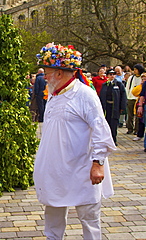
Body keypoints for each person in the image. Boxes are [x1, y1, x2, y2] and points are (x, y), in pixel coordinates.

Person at [34, 43, 116, 240]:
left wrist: (98, 163)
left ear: (61, 73)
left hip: (82, 167)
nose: (44, 76)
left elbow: (100, 130)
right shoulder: (53, 94)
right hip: (55, 169)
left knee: (89, 217)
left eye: (48, 72)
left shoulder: (84, 94)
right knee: (53, 215)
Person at [99, 69, 127, 145]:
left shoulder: (119, 84)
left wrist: (122, 107)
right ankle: (107, 139)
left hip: (115, 106)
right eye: (110, 74)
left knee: (114, 123)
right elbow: (101, 96)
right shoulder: (105, 85)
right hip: (107, 106)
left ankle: (113, 139)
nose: (112, 76)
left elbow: (123, 96)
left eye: (113, 74)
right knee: (106, 123)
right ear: (107, 75)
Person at [125, 64, 144, 135]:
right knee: (130, 114)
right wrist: (127, 96)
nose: (135, 71)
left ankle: (137, 129)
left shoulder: (142, 78)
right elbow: (127, 87)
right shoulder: (131, 77)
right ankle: (130, 128)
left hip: (138, 98)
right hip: (130, 98)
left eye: (136, 69)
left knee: (137, 115)